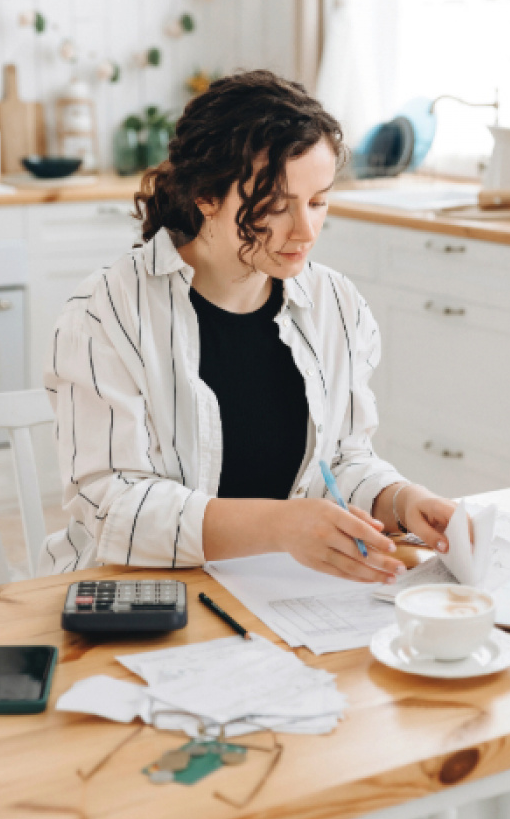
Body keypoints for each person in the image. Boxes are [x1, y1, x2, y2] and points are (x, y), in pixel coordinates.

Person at [40, 70, 460, 580]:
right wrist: (278, 525)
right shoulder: (105, 314)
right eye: (276, 206)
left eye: (318, 201)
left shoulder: (337, 306)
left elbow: (341, 462)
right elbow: (112, 507)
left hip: (277, 591)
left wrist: (399, 499)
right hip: (139, 596)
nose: (304, 231)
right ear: (205, 195)